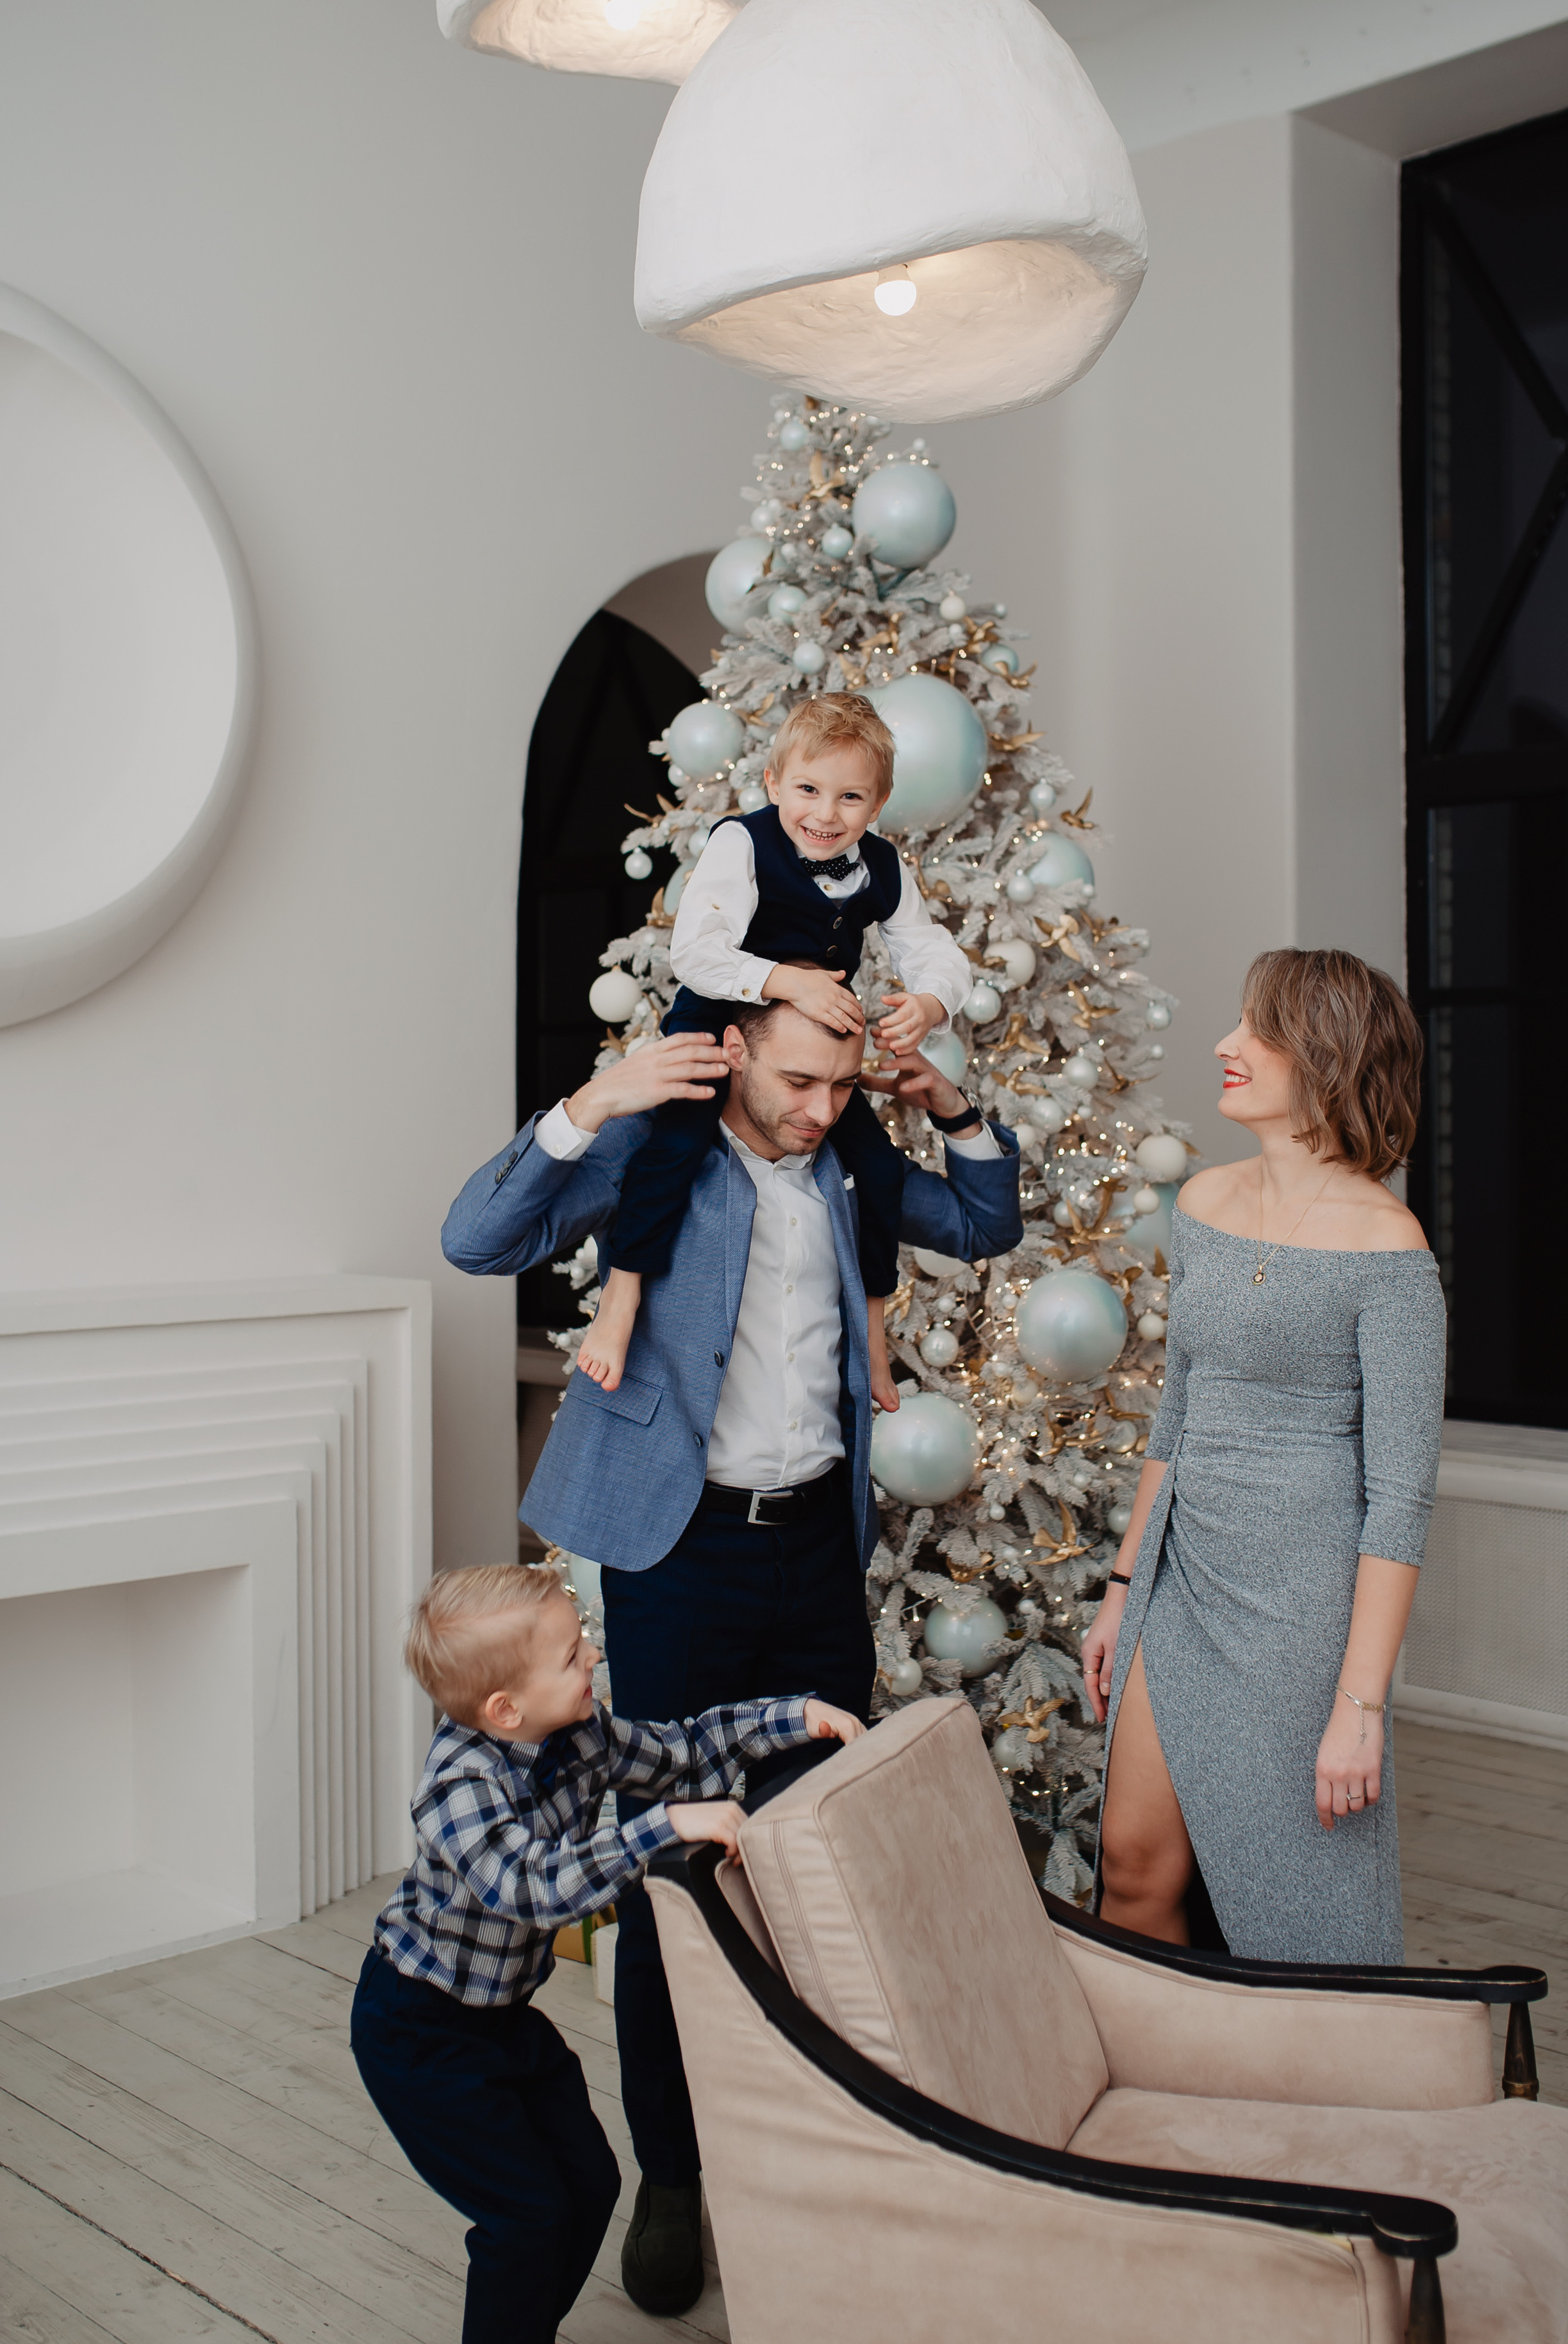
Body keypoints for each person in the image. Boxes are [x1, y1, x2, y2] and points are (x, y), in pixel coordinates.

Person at [442, 997, 1021, 2315]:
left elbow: (987, 1223)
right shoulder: (656, 1148)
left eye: (839, 1083)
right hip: (679, 1557)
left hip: (816, 1551)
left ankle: (807, 2152)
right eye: (800, 1079)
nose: (819, 1107)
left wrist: (948, 1106)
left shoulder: (855, 1161)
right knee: (676, 1873)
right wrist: (593, 1101)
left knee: (810, 1852)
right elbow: (476, 1237)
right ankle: (676, 2172)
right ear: (736, 1049)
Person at [350, 1560, 863, 2343]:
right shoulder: (457, 1787)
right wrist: (665, 1827)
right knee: (526, 2216)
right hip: (419, 2030)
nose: (592, 1655)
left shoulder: (578, 1732)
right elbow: (533, 1888)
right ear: (504, 1706)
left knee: (591, 2184)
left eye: (581, 1638)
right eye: (569, 1652)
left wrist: (794, 1715)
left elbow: (684, 1748)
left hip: (499, 2021)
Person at [1081, 947, 1445, 1966]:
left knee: (1304, 1903)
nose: (1225, 1045)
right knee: (1132, 1863)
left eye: (1256, 1029)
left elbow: (1400, 1499)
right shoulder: (1201, 1203)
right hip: (1182, 1576)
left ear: (1324, 1056)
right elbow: (1178, 1413)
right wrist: (1121, 1590)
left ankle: (1312, 2103)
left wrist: (1360, 1709)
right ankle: (1160, 2106)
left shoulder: (1392, 1248)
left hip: (1304, 1608)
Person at [575, 692, 972, 1413]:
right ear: (772, 785)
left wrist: (929, 1002)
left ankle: (874, 1337)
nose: (825, 814)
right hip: (720, 1017)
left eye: (850, 797)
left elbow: (932, 950)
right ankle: (622, 1295)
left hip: (811, 1049)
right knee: (674, 1148)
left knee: (876, 1169)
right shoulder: (741, 842)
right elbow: (697, 950)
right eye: (808, 790)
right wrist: (786, 979)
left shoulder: (881, 866)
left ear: (878, 802)